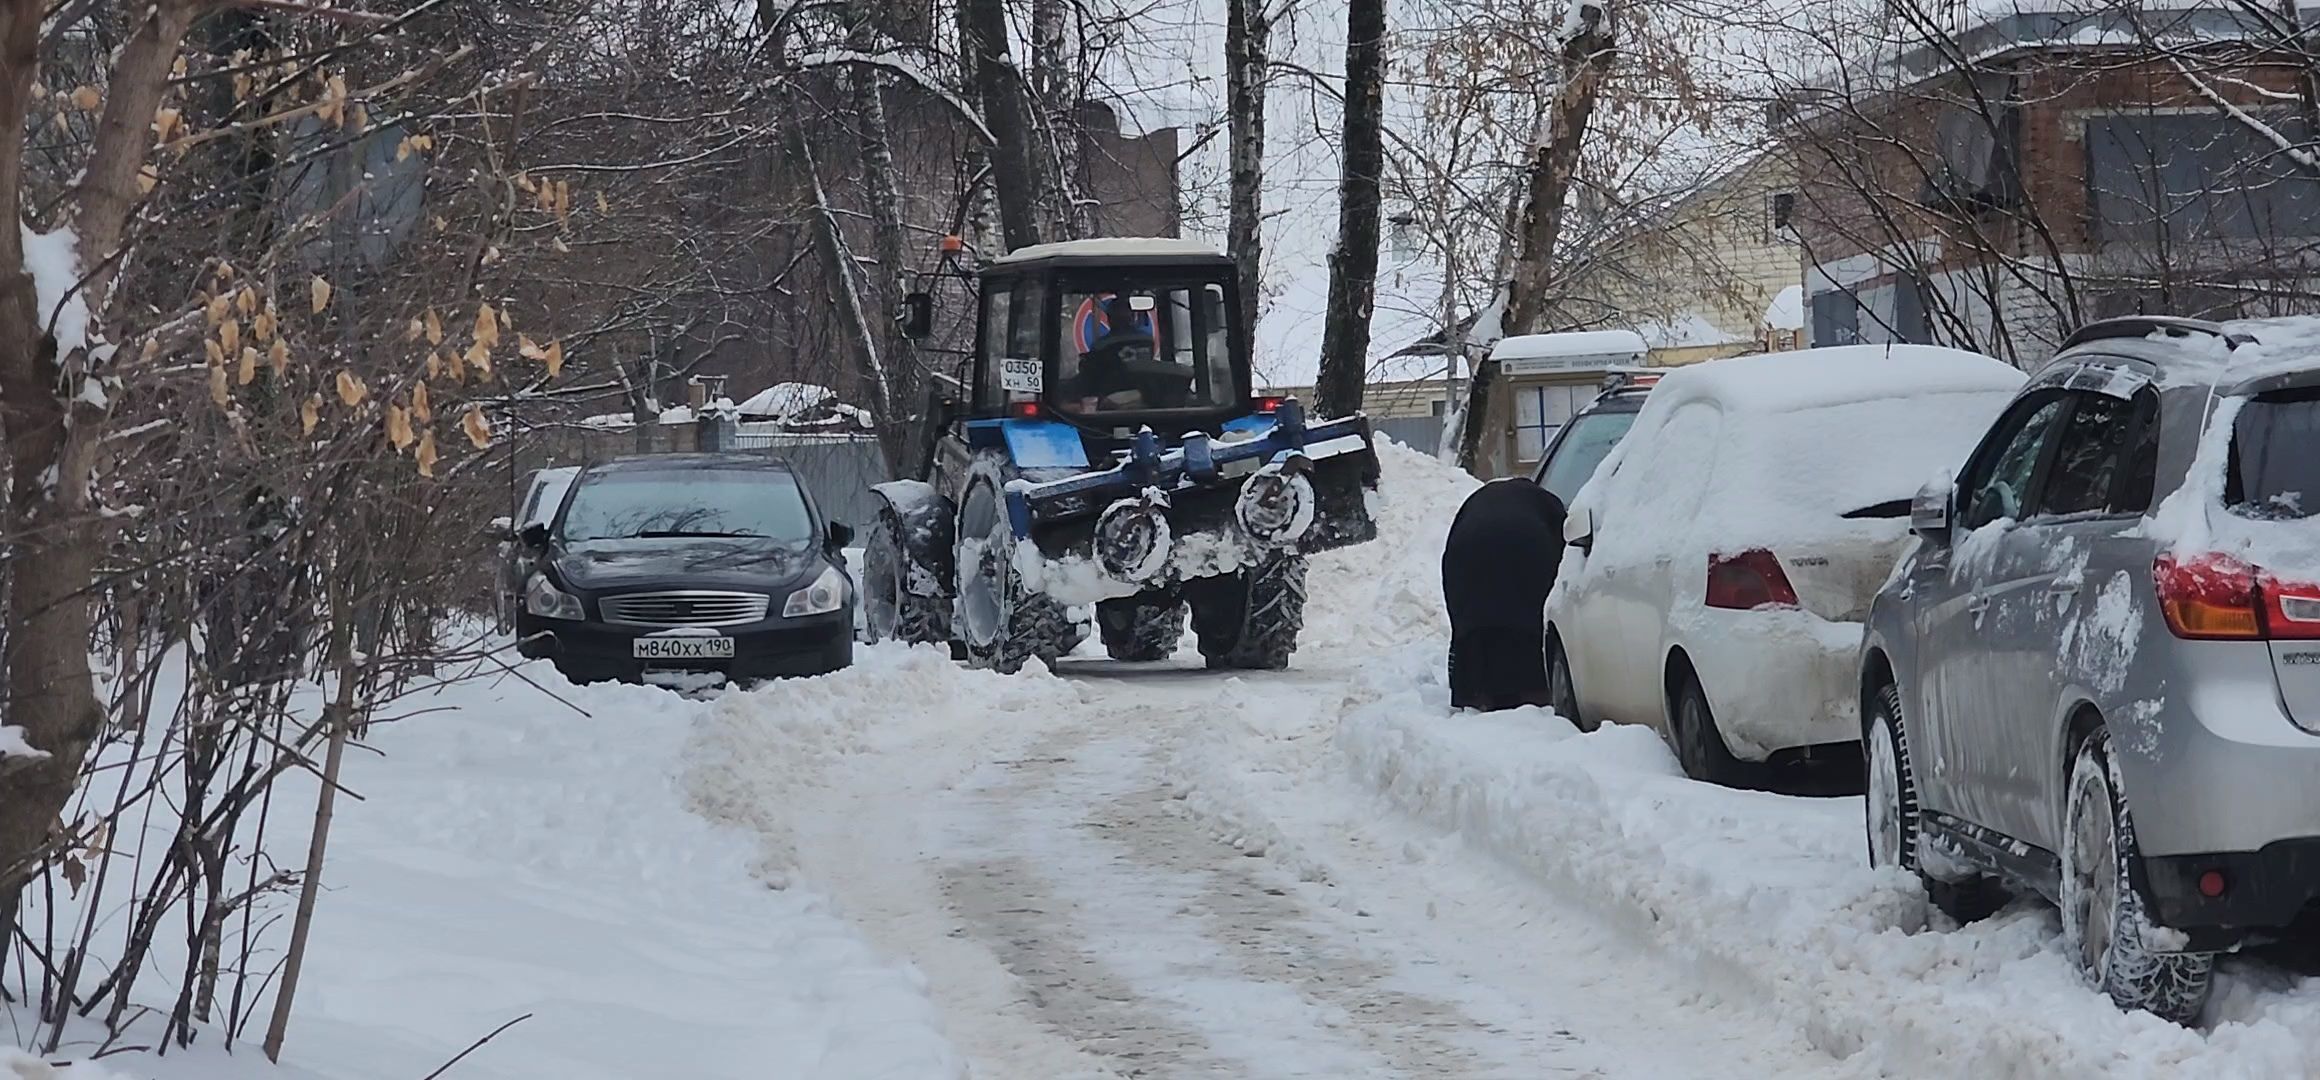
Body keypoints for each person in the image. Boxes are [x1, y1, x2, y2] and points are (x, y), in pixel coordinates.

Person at [1441, 477, 1568, 712]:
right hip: (1529, 544)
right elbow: (1565, 557)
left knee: (1474, 623)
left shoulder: (1479, 501)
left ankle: (1475, 691)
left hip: (1466, 549)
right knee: (1528, 621)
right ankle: (1532, 690)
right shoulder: (1548, 505)